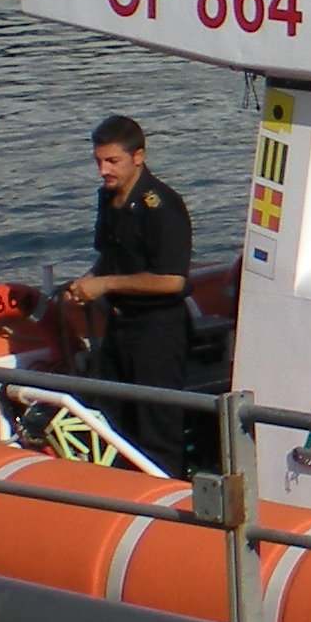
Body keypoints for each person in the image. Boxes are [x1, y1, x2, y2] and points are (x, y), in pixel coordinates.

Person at [66, 114, 194, 421]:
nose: (103, 170)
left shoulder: (161, 207)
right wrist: (89, 281)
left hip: (157, 331)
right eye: (98, 161)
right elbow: (112, 254)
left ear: (138, 157)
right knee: (113, 417)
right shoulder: (109, 198)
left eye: (112, 161)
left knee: (156, 426)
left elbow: (172, 280)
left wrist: (105, 285)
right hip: (120, 326)